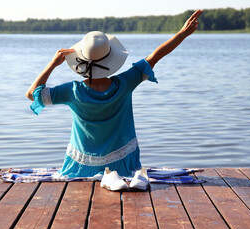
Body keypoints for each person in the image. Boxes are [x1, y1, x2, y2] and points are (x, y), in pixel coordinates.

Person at [26, 10, 203, 178]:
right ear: (111, 59)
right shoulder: (126, 82)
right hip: (121, 165)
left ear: (81, 60)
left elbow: (33, 94)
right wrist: (182, 34)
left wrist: (52, 64)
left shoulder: (72, 91)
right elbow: (156, 56)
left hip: (81, 166)